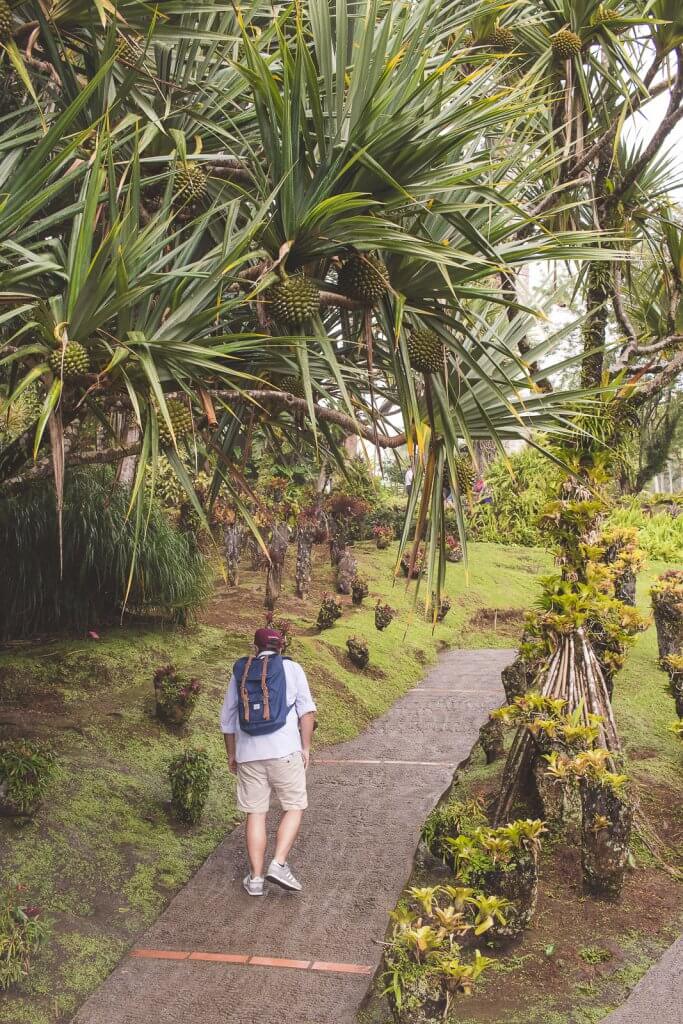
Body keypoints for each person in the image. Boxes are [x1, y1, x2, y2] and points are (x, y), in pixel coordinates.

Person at [220, 627, 317, 897]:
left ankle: (255, 879)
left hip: (249, 754)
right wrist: (305, 748)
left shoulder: (242, 671)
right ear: (281, 647)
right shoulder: (292, 669)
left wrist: (232, 754)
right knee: (295, 806)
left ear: (255, 647)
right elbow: (306, 712)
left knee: (256, 814)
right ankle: (278, 863)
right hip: (285, 750)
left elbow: (228, 720)